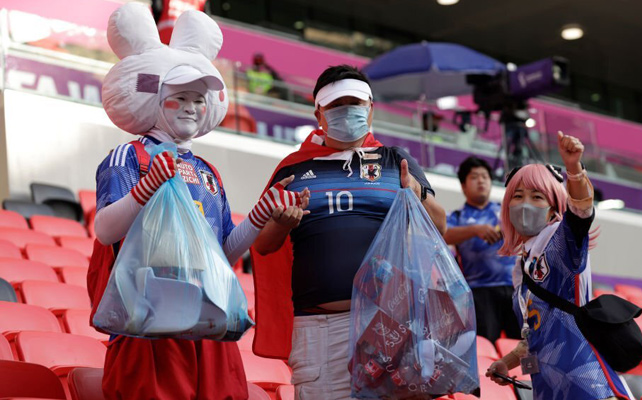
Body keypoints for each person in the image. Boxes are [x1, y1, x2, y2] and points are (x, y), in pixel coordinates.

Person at [89, 5, 308, 399]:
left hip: (208, 324)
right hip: (150, 324)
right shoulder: (130, 157)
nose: (191, 106)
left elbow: (223, 250)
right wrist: (145, 188)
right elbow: (105, 230)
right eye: (179, 97)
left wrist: (262, 213)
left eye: (198, 98)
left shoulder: (207, 171)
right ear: (154, 99)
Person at [251, 64, 447, 399]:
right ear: (319, 113)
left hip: (391, 325)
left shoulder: (395, 160)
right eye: (337, 105)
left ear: (370, 110)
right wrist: (281, 224)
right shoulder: (293, 167)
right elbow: (263, 246)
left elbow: (439, 227)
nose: (348, 112)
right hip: (321, 331)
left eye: (356, 104)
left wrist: (416, 193)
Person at [485, 132, 631, 400]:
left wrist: (574, 169)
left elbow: (581, 211)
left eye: (537, 197)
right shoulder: (522, 266)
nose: (525, 204)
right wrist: (506, 363)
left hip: (589, 385)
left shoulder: (562, 241)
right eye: (517, 196)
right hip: (548, 390)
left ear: (554, 210)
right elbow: (535, 337)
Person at [444, 156, 519, 342]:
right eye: (474, 177)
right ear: (463, 185)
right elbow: (444, 235)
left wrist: (509, 228)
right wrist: (475, 230)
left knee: (523, 345)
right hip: (479, 292)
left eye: (485, 176)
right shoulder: (458, 216)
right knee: (485, 344)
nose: (481, 181)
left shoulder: (506, 211)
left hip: (514, 287)